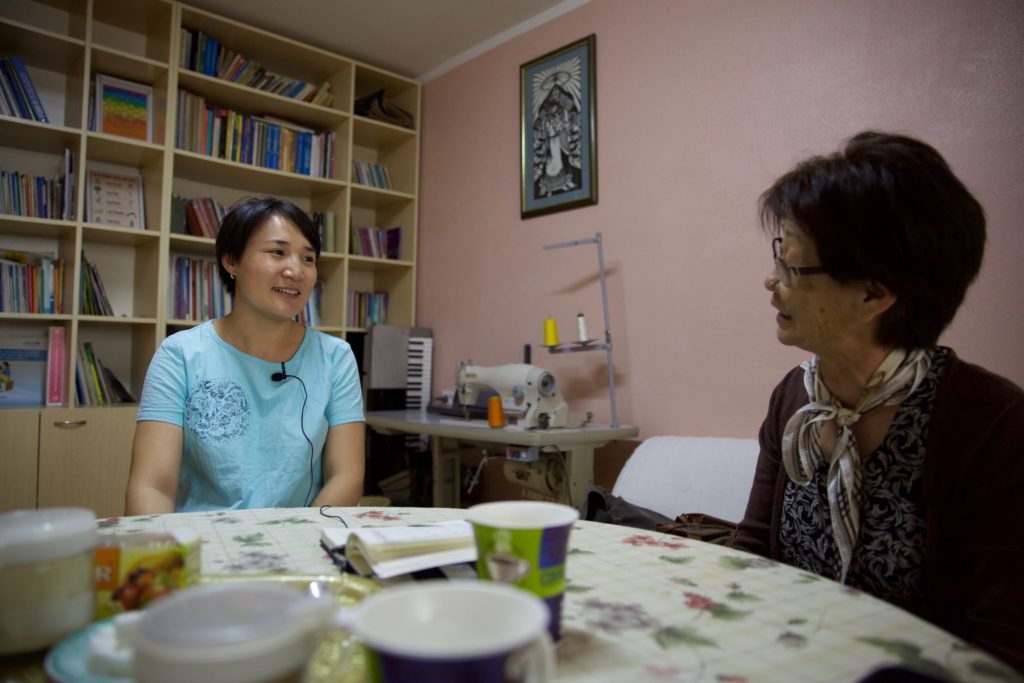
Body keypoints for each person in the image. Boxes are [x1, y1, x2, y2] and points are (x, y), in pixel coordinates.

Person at [733, 132, 1024, 671]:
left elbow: (1004, 646)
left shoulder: (996, 427)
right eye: (780, 256)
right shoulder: (794, 399)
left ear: (873, 294)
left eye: (793, 267)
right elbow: (755, 555)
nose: (771, 282)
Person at [125, 197, 365, 513]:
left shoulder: (336, 357)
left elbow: (346, 477)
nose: (296, 270)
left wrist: (297, 542)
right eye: (278, 252)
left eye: (308, 258)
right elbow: (152, 487)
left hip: (299, 542)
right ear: (231, 261)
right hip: (201, 545)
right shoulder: (180, 355)